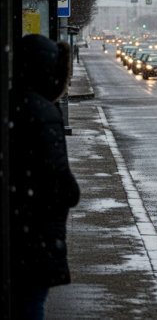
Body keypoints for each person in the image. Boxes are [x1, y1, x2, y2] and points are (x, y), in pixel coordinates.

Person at [9, 35, 80, 320]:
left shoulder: (12, 102)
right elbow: (60, 183)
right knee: (30, 307)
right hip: (33, 238)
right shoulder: (44, 112)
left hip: (18, 232)